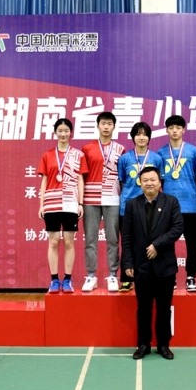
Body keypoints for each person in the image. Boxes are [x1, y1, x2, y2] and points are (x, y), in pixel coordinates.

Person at [121, 166, 184, 360]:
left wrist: (157, 245)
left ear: (159, 182)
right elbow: (127, 237)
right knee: (143, 308)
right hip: (141, 266)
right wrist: (128, 263)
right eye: (145, 180)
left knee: (164, 308)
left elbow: (177, 228)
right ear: (140, 183)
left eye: (153, 179)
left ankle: (164, 345)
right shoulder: (132, 205)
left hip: (165, 266)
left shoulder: (171, 202)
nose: (149, 183)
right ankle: (143, 344)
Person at [37, 118, 88, 293]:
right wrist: (41, 205)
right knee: (53, 242)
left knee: (68, 242)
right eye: (60, 131)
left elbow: (80, 180)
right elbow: (44, 181)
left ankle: (67, 279)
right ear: (55, 132)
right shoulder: (47, 155)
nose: (63, 134)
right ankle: (54, 280)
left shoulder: (78, 155)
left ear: (71, 133)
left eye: (66, 131)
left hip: (70, 203)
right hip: (51, 203)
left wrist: (80, 203)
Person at [117, 122, 164, 292]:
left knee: (150, 241)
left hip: (150, 205)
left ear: (149, 138)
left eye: (144, 134)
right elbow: (122, 182)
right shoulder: (124, 159)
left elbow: (160, 183)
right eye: (138, 134)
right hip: (127, 207)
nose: (141, 137)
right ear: (133, 137)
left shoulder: (157, 158)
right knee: (128, 242)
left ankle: (150, 276)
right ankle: (127, 279)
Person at [81, 112, 124, 292]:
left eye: (109, 124)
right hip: (90, 198)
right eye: (103, 123)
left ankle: (113, 275)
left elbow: (122, 177)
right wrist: (80, 200)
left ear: (114, 126)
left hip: (113, 199)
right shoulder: (87, 148)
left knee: (113, 239)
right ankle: (91, 275)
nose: (106, 127)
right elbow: (81, 176)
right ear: (97, 125)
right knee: (90, 239)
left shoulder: (120, 149)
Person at [158, 115, 196, 292]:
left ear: (184, 130)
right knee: (167, 243)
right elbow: (160, 180)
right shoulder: (161, 153)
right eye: (171, 128)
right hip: (169, 206)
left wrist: (188, 190)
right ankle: (171, 277)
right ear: (167, 130)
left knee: (192, 243)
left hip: (190, 205)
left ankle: (191, 276)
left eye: (178, 127)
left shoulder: (193, 151)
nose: (174, 131)